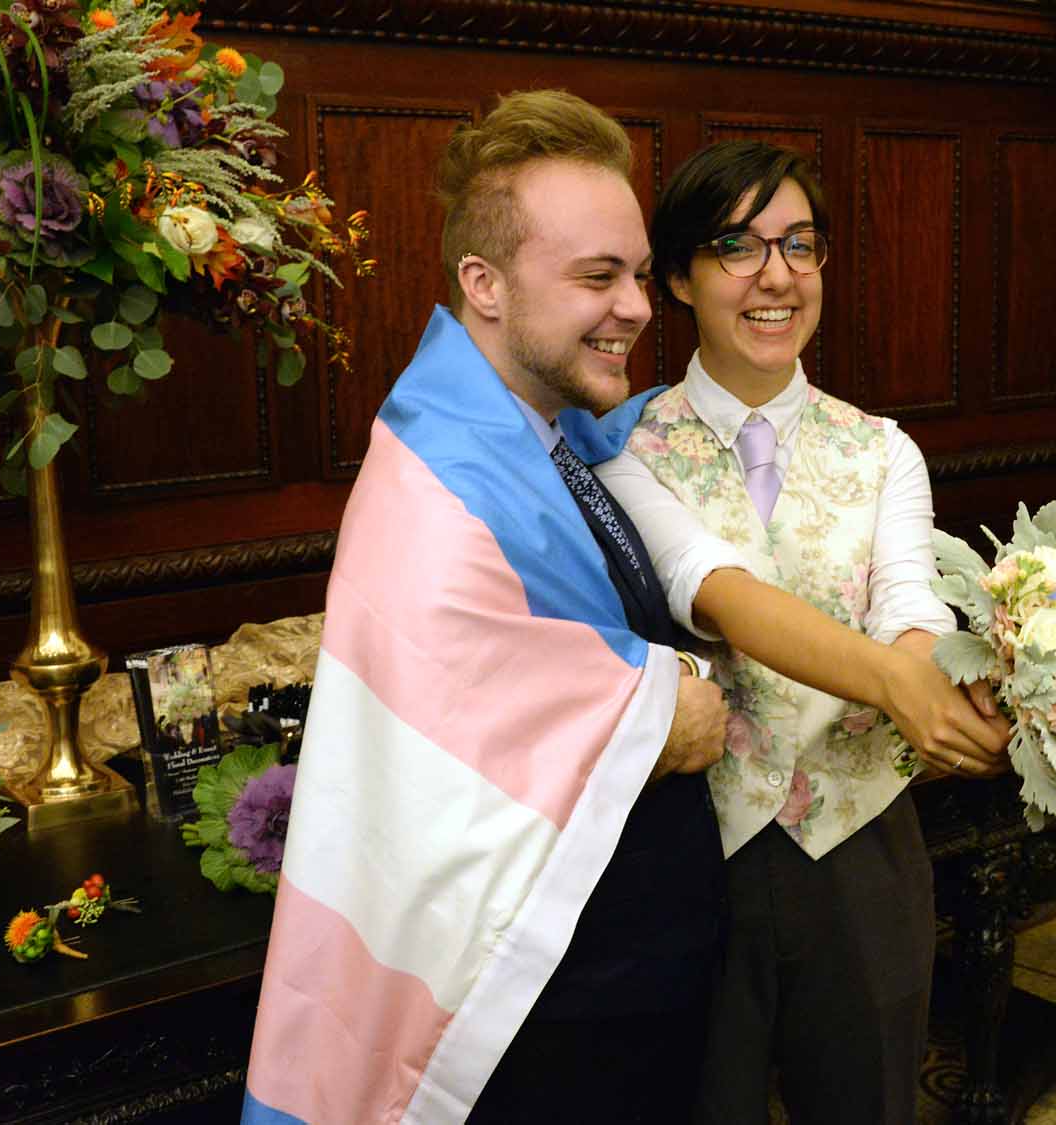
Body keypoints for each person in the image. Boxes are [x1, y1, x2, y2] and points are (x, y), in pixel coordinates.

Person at [240, 90, 728, 1125]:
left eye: (639, 275)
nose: (638, 306)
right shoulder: (435, 481)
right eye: (598, 276)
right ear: (485, 285)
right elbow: (492, 694)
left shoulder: (545, 433)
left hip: (628, 971)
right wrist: (667, 703)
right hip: (551, 1008)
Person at [592, 140, 1012, 1124]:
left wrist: (937, 689)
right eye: (738, 246)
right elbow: (715, 587)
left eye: (801, 246)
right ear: (682, 279)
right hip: (691, 845)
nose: (776, 275)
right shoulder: (621, 458)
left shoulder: (883, 450)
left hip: (862, 839)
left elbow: (912, 605)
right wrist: (904, 686)